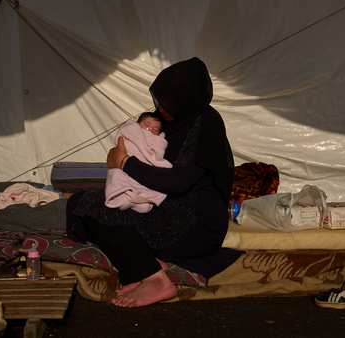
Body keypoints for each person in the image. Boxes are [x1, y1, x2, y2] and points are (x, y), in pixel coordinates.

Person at [66, 57, 243, 307]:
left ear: (187, 99)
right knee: (81, 203)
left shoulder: (205, 124)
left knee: (92, 207)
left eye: (169, 102)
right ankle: (147, 261)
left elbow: (178, 182)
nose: (161, 108)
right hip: (174, 212)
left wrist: (125, 162)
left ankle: (154, 279)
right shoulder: (181, 119)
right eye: (161, 101)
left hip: (195, 227)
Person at [104, 112, 172, 212]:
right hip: (125, 164)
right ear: (137, 123)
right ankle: (124, 197)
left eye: (155, 129)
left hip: (144, 168)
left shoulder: (157, 140)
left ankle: (140, 200)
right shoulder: (132, 131)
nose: (149, 129)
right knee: (116, 174)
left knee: (149, 183)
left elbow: (157, 154)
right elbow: (121, 140)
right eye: (147, 124)